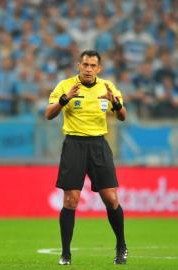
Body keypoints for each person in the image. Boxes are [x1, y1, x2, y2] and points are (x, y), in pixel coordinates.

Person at [45, 50, 128, 265]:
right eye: (85, 64)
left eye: (93, 65)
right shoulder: (65, 86)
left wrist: (116, 104)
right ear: (79, 66)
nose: (88, 69)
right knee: (71, 201)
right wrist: (64, 100)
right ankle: (65, 253)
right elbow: (48, 114)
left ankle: (121, 246)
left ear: (99, 68)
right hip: (74, 144)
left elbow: (123, 116)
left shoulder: (107, 87)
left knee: (111, 199)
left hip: (99, 145)